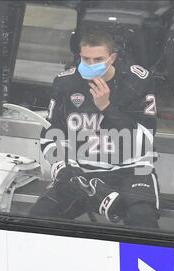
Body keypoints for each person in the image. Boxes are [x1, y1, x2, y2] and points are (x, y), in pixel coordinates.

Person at [29, 30, 160, 228]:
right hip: (82, 171)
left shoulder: (137, 81)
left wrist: (107, 107)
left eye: (98, 59)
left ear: (112, 58)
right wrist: (63, 168)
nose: (90, 65)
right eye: (85, 59)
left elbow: (144, 140)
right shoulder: (65, 83)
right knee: (41, 216)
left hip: (131, 170)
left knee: (141, 216)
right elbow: (52, 133)